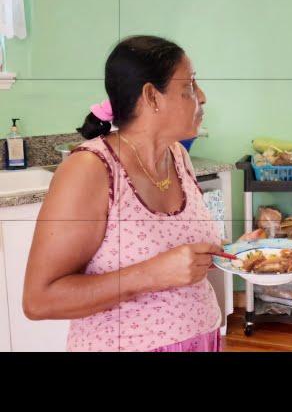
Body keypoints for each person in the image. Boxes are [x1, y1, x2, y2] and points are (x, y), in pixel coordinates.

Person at [23, 35, 225, 352]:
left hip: (201, 339)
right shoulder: (90, 170)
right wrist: (151, 275)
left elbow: (180, 253)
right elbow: (39, 300)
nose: (202, 96)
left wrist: (235, 254)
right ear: (151, 96)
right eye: (189, 87)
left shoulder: (178, 156)